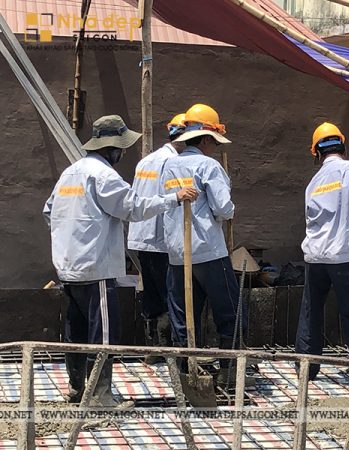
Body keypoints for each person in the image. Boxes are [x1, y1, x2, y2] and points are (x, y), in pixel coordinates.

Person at [43, 115, 198, 407]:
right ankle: (100, 397)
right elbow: (133, 208)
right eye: (122, 148)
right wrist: (174, 198)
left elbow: (49, 211)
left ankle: (77, 390)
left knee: (75, 332)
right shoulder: (104, 176)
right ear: (111, 148)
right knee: (103, 334)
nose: (123, 153)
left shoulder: (70, 173)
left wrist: (70, 238)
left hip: (68, 267)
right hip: (96, 268)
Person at [161, 103, 245, 386]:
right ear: (207, 139)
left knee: (184, 315)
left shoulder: (170, 165)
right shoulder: (209, 166)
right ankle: (230, 372)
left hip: (178, 251)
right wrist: (229, 210)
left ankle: (185, 371)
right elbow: (223, 207)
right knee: (229, 311)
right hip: (209, 249)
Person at [295, 122, 349, 387]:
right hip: (345, 256)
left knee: (311, 313)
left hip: (315, 257)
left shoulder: (313, 183)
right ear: (342, 146)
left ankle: (306, 369)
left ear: (316, 153)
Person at [127, 113, 187, 362]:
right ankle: (171, 349)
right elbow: (176, 200)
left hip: (142, 236)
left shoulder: (147, 161)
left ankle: (154, 348)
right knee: (171, 294)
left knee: (152, 291)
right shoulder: (174, 163)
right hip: (162, 238)